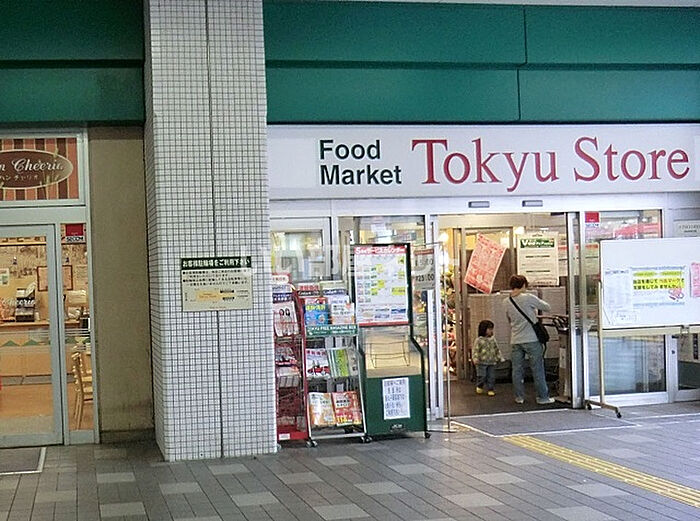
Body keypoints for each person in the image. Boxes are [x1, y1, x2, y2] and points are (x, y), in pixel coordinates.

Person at [503, 275, 554, 405]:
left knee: (517, 370)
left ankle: (519, 397)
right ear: (524, 285)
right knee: (537, 369)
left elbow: (509, 320)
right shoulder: (528, 298)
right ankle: (543, 397)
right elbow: (547, 307)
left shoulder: (506, 301)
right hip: (532, 339)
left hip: (515, 339)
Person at [472, 319, 502, 396]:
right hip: (481, 362)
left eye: (492, 329)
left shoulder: (493, 340)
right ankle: (480, 385)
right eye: (489, 329)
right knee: (482, 375)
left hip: (492, 361)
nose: (491, 331)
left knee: (491, 376)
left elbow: (496, 349)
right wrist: (475, 358)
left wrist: (499, 357)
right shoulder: (479, 340)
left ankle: (490, 388)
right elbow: (475, 350)